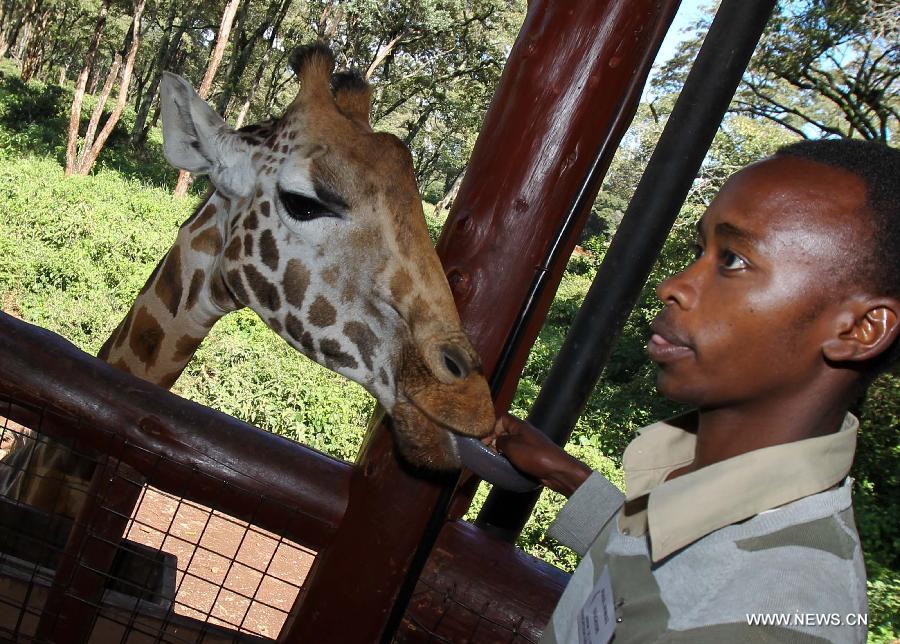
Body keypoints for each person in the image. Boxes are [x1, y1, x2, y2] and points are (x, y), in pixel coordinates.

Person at [491, 139, 900, 643]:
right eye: (698, 251)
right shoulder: (712, 492)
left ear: (858, 329)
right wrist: (566, 475)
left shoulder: (768, 622)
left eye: (732, 259)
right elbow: (668, 566)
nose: (675, 285)